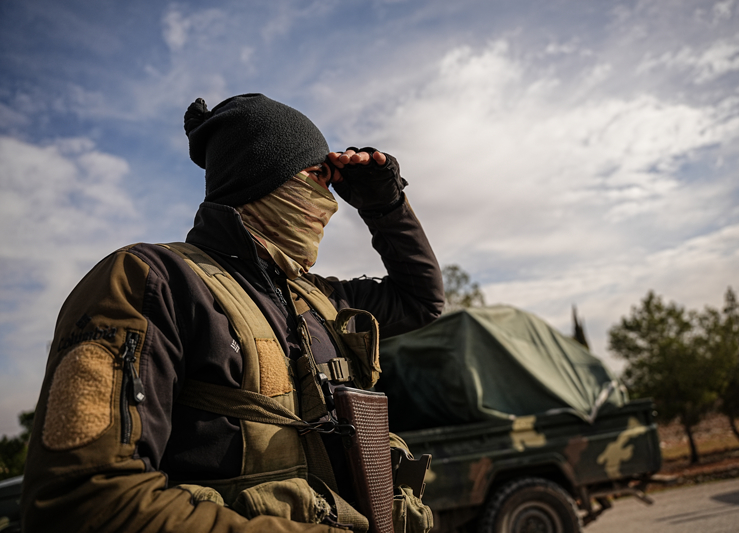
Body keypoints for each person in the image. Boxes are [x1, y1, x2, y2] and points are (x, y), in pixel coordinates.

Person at [20, 93, 444, 533]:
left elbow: (422, 300)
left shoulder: (317, 299)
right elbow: (82, 503)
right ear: (263, 173)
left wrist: (385, 205)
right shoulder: (154, 282)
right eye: (318, 175)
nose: (329, 198)